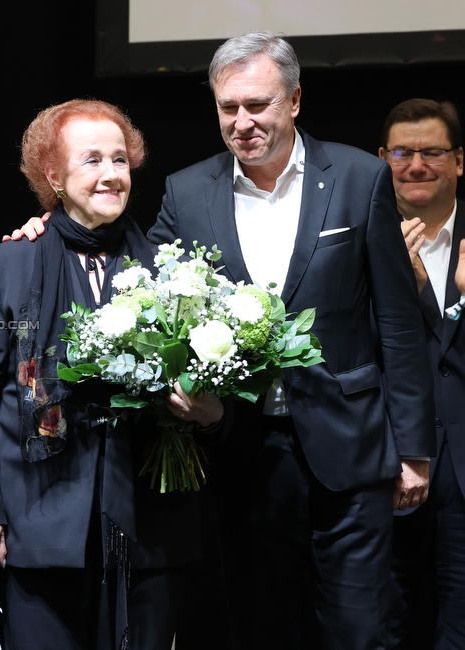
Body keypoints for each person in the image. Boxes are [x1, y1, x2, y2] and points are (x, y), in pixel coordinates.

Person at [141, 32, 434, 649]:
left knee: (355, 631)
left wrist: (414, 449)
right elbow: (139, 292)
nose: (242, 122)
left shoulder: (360, 177)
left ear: (294, 100)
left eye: (258, 105)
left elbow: (398, 324)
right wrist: (46, 221)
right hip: (242, 450)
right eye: (228, 108)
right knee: (259, 628)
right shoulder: (186, 192)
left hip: (352, 448)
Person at [0, 99, 224, 650]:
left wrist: (210, 410)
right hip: (40, 522)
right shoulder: (9, 264)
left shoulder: (169, 269)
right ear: (53, 174)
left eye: (119, 160)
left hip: (151, 526)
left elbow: (212, 391)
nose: (110, 175)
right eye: (91, 159)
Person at [382, 98, 465, 649]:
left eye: (432, 152)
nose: (416, 165)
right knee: (388, 623)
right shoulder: (361, 243)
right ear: (381, 159)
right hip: (390, 467)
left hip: (463, 469)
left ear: (459, 161)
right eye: (402, 152)